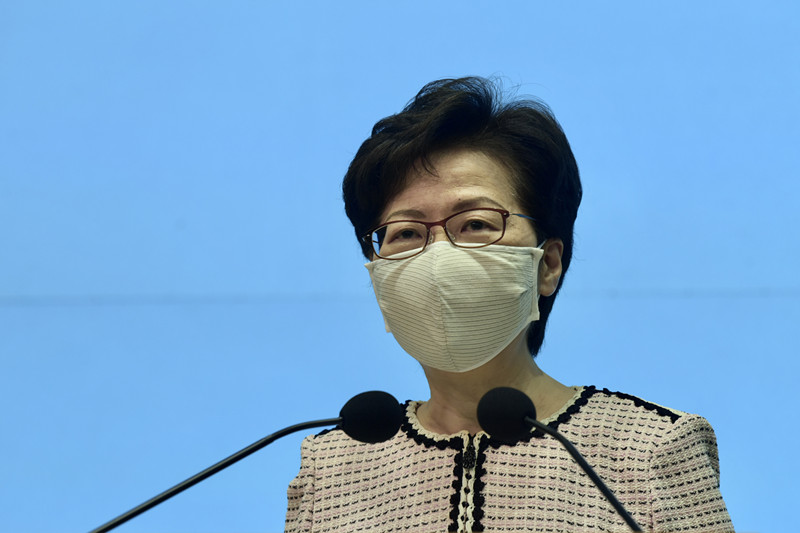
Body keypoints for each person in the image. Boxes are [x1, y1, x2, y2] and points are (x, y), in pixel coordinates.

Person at [285, 77, 733, 532]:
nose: (438, 258)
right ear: (379, 278)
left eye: (475, 223)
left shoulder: (650, 448)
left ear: (547, 265)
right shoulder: (331, 464)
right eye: (406, 232)